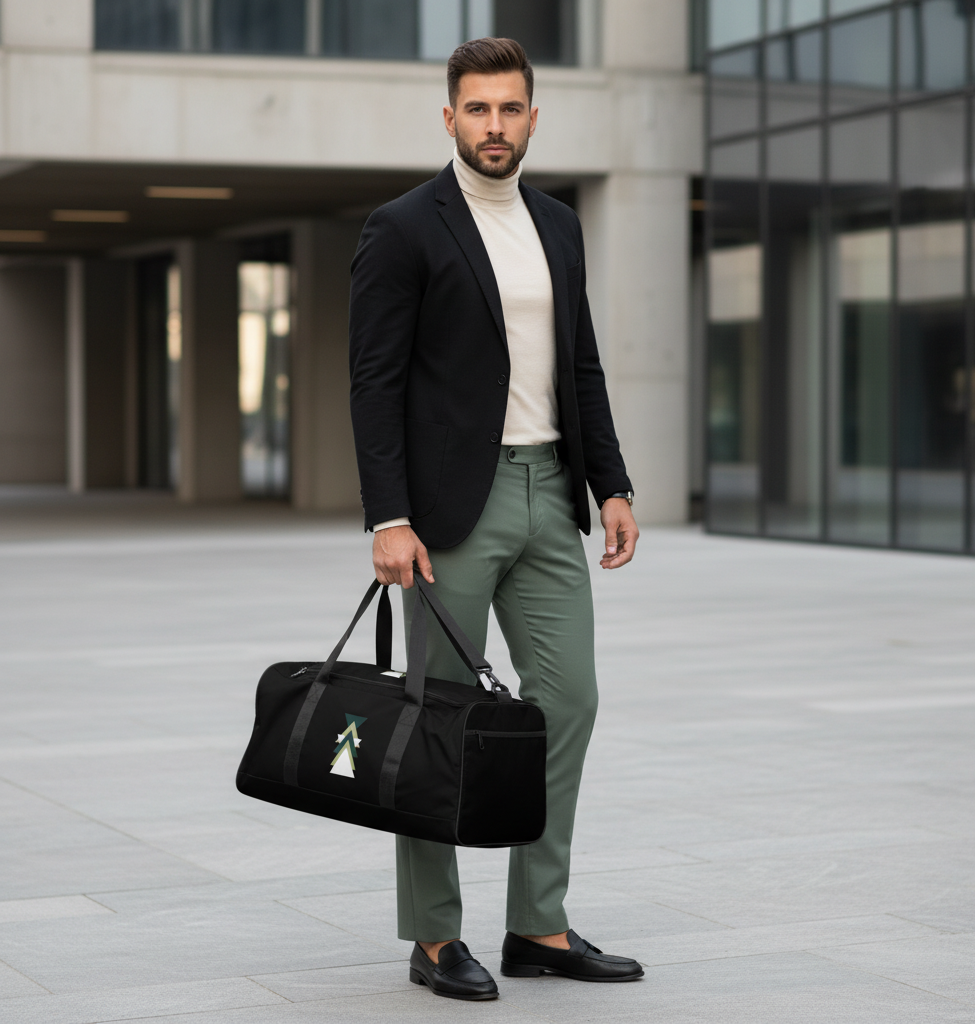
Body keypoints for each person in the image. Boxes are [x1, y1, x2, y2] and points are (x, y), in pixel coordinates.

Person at [348, 36, 642, 1001]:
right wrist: (388, 515)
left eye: (510, 109)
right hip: (446, 516)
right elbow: (375, 381)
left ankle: (539, 925)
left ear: (532, 117)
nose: (494, 126)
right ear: (449, 118)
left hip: (548, 497)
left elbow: (582, 362)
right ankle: (434, 937)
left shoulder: (557, 224)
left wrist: (612, 483)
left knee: (569, 701)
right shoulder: (404, 228)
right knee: (438, 723)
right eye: (477, 110)